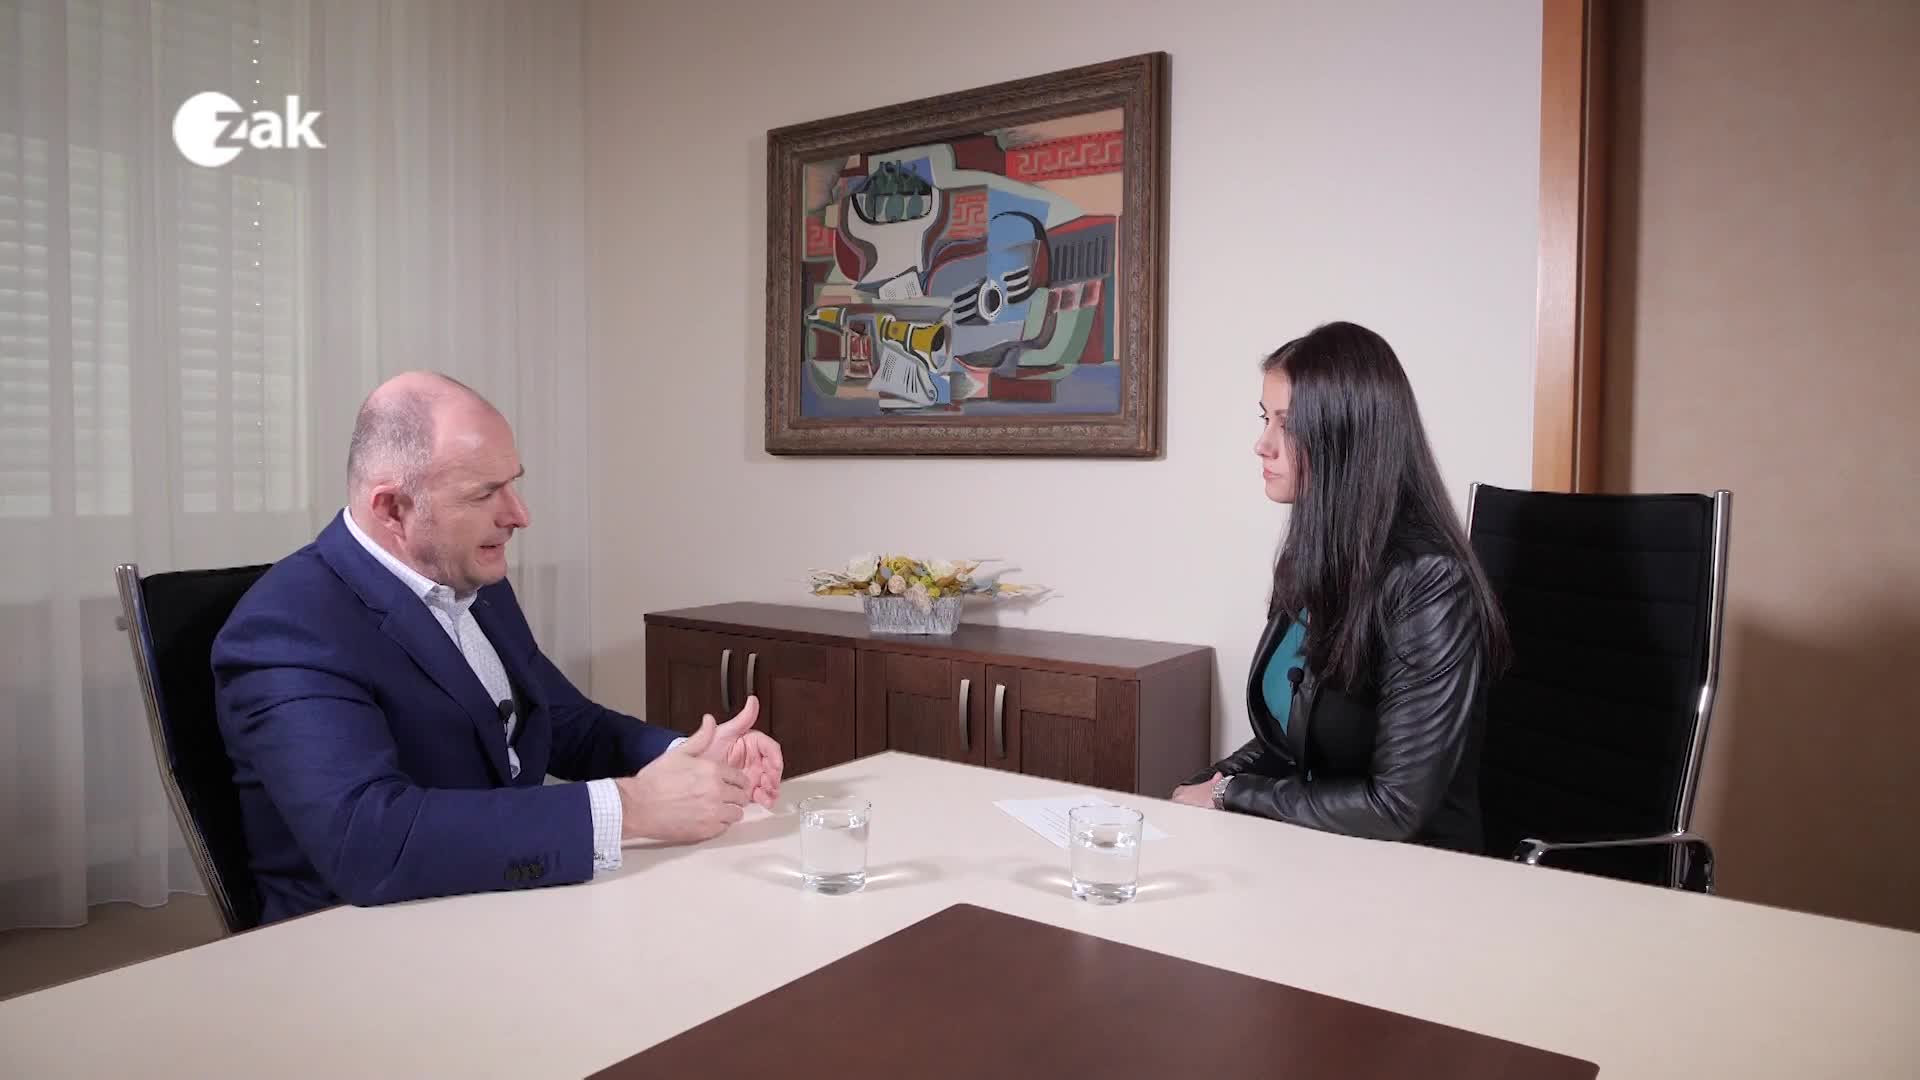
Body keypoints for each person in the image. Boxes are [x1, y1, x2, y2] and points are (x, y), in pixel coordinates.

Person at [213, 372, 782, 923]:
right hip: (362, 939)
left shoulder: (471, 576)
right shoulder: (287, 625)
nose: (518, 515)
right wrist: (632, 807)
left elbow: (562, 722)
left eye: (513, 483)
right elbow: (368, 841)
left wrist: (686, 756)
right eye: (485, 494)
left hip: (504, 900)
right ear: (392, 509)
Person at [1170, 322, 1507, 853]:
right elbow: (1291, 738)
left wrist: (1229, 794)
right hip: (1325, 851)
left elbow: (1397, 807)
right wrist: (1203, 787)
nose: (1262, 445)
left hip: (1415, 871)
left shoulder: (1429, 580)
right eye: (1265, 419)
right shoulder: (1313, 556)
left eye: (1286, 424)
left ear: (1345, 435)